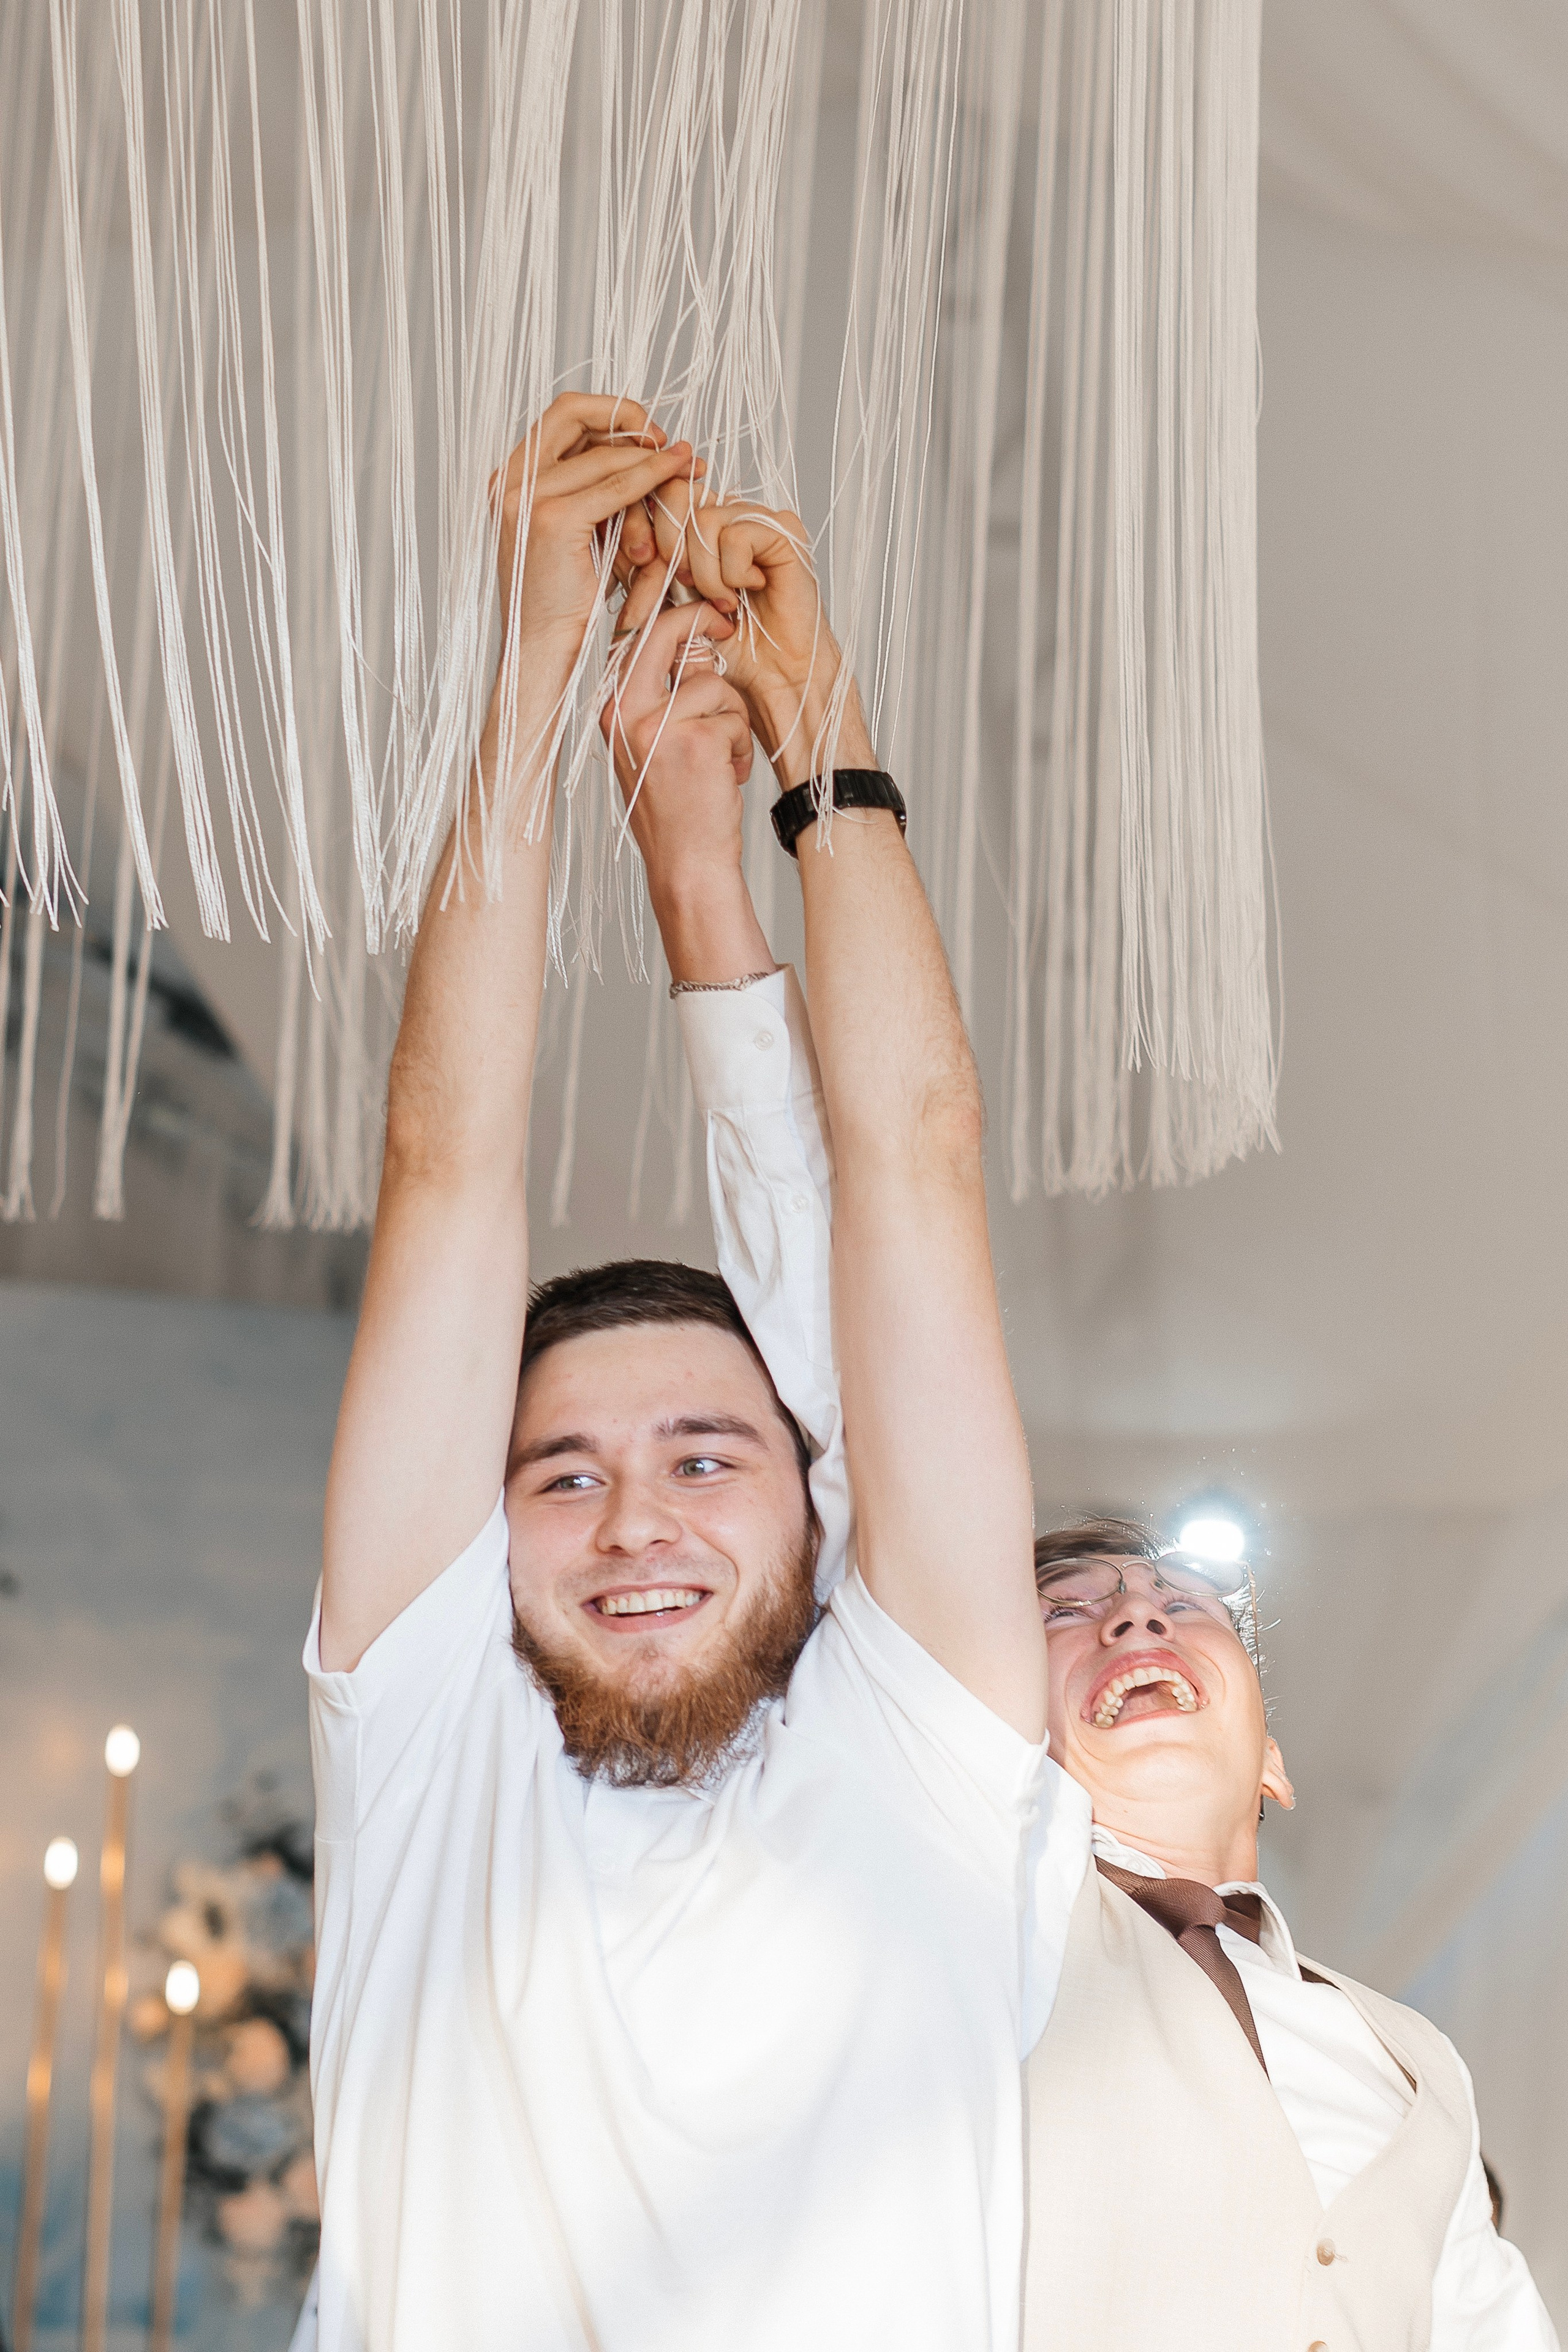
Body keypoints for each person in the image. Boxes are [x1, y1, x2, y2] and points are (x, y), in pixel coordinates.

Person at [609, 497, 1561, 2351]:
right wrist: (720, 865)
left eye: (1171, 1601)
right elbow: (849, 1301)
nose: (1131, 1616)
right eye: (1067, 1608)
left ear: (1275, 1751)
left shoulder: (1413, 2067)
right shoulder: (963, 1894)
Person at [305, 393, 1071, 2352]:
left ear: (822, 1490)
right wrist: (533, 666)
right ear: (487, 1531)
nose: (629, 1514)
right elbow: (445, 1171)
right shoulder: (428, 1754)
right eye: (559, 1474)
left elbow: (914, 1174)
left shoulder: (927, 1753)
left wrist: (823, 740)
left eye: (704, 1457)